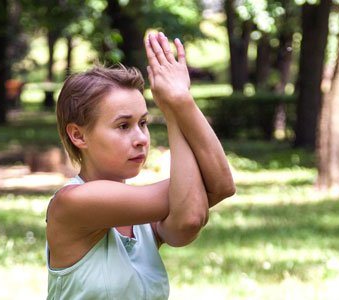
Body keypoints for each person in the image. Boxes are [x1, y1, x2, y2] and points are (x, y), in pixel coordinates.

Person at [46, 31, 235, 300]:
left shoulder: (145, 219)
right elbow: (202, 196)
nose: (141, 139)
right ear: (78, 135)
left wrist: (182, 102)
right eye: (123, 126)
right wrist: (173, 110)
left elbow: (218, 190)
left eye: (143, 123)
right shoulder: (73, 202)